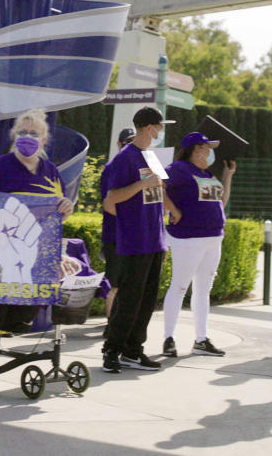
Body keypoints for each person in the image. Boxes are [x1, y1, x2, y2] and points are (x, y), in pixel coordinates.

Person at [0, 108, 74, 397]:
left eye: (34, 133)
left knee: (23, 314)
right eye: (22, 132)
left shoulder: (51, 172)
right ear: (14, 136)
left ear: (44, 138)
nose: (27, 137)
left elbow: (55, 216)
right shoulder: (0, 166)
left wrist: (66, 208)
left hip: (33, 256)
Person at [101, 106, 168, 374]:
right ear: (149, 127)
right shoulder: (125, 158)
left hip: (155, 241)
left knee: (147, 301)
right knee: (129, 300)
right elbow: (112, 198)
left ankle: (133, 350)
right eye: (160, 126)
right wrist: (142, 185)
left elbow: (159, 192)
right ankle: (112, 351)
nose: (161, 131)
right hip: (135, 242)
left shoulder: (151, 156)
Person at [160, 131, 235, 358]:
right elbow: (157, 186)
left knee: (204, 290)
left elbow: (220, 202)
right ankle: (168, 339)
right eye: (206, 147)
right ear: (196, 148)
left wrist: (228, 177)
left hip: (213, 238)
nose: (210, 152)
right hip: (187, 238)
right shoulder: (178, 169)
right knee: (180, 286)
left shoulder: (207, 173)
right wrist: (173, 210)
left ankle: (201, 339)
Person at [100, 127, 135, 319]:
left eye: (133, 142)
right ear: (119, 144)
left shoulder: (138, 167)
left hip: (132, 236)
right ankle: (111, 324)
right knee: (114, 283)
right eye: (126, 142)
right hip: (116, 235)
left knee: (129, 284)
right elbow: (108, 203)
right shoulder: (112, 167)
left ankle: (120, 322)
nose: (129, 146)